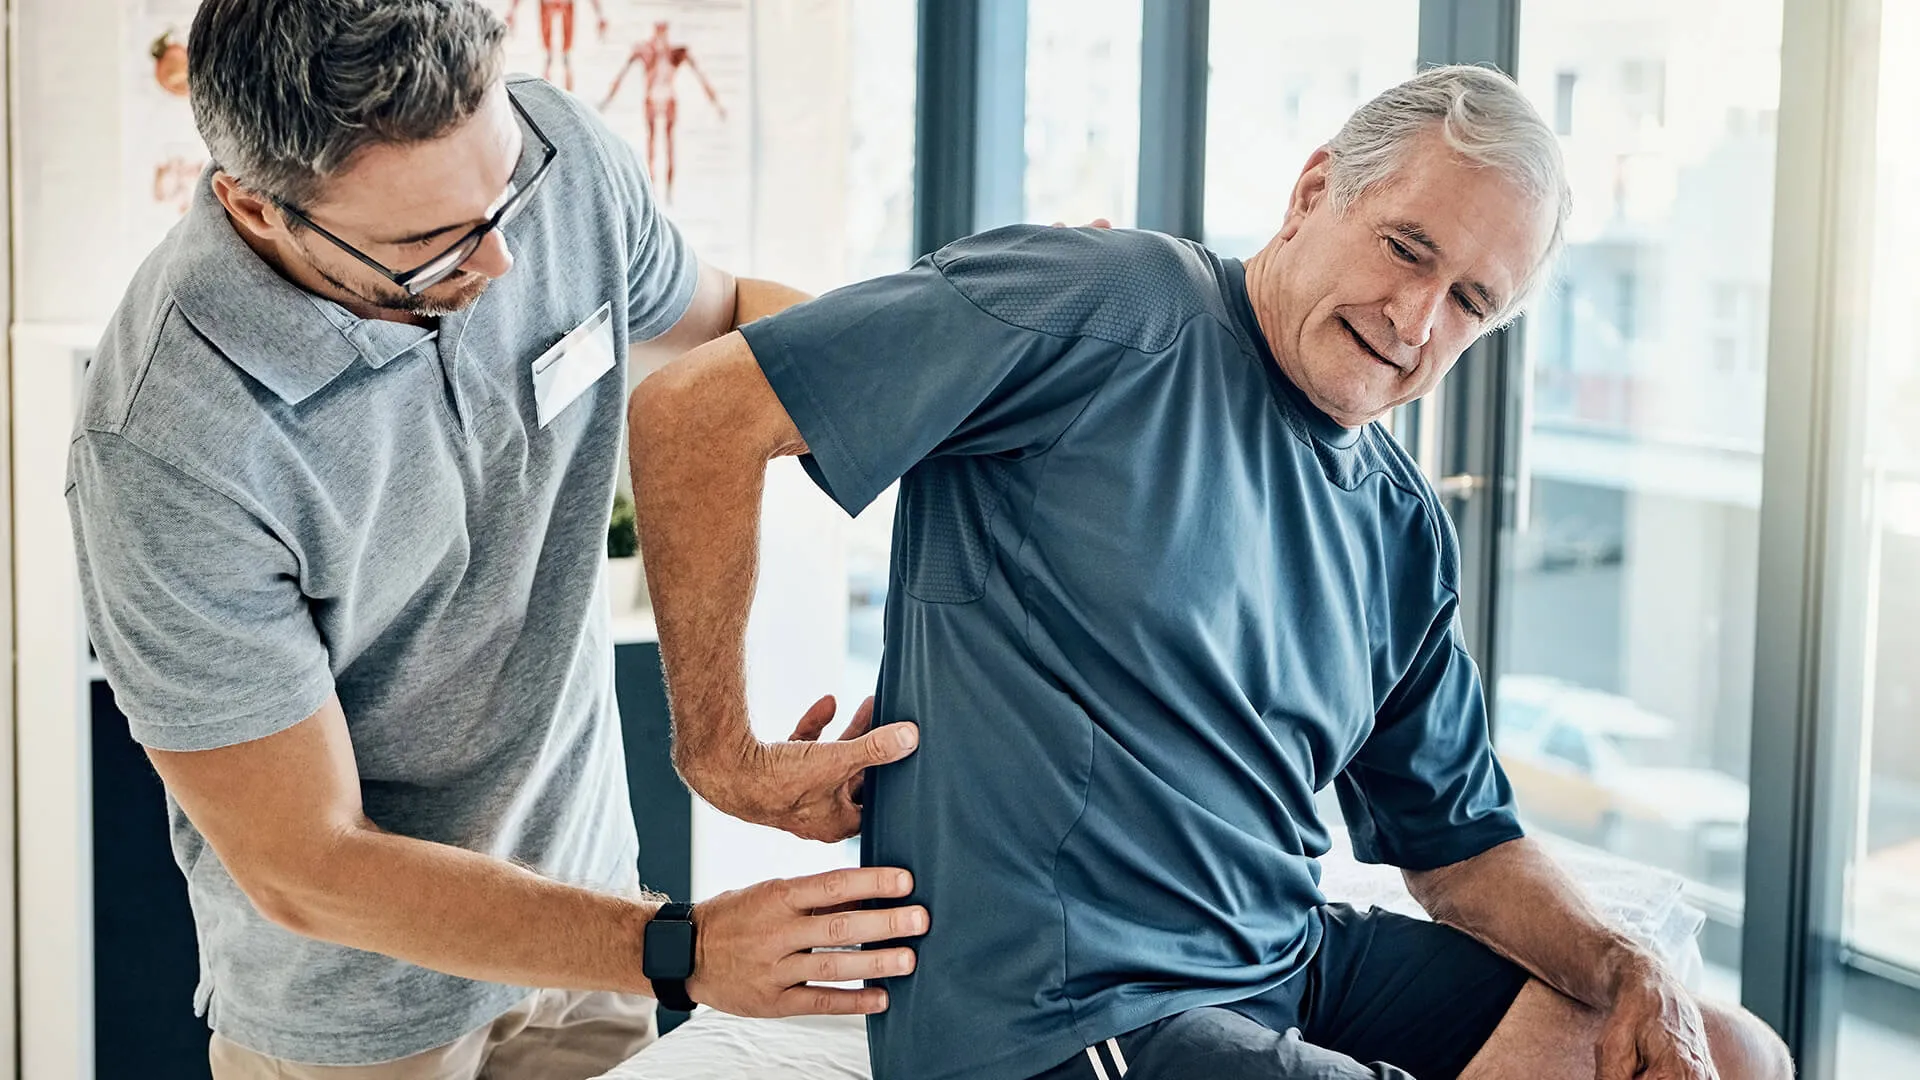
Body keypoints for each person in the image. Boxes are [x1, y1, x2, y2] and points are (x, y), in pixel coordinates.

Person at [628, 65, 1796, 1080]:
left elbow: (1461, 849)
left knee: (1736, 1055)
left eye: (1470, 303)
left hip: (1281, 961)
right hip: (1061, 1010)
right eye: (1406, 247)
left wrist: (1625, 964)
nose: (1415, 316)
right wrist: (723, 754)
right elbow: (697, 411)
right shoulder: (1099, 304)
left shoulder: (1395, 521)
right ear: (1312, 191)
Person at [66, 2, 920, 1078]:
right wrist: (683, 950)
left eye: (505, 190)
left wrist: (952, 366)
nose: (508, 259)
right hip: (364, 1016)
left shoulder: (555, 157)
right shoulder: (168, 440)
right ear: (255, 207)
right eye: (431, 246)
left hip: (596, 929)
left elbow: (729, 327)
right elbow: (307, 863)